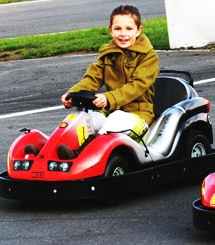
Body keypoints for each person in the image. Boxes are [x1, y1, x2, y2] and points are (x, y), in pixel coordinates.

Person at [58, 5, 159, 159]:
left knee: (116, 119)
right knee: (83, 118)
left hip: (138, 116)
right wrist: (72, 94)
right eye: (118, 29)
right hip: (109, 113)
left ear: (138, 30)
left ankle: (82, 156)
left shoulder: (148, 56)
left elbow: (136, 86)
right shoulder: (107, 55)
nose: (123, 34)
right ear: (111, 30)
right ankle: (49, 151)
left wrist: (108, 98)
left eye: (129, 29)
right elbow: (92, 78)